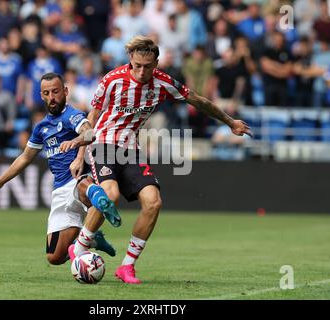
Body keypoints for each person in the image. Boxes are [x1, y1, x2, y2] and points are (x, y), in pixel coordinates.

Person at [67, 36, 253, 284]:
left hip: (130, 149)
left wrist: (231, 122)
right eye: (137, 66)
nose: (142, 71)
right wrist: (80, 153)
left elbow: (198, 100)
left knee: (153, 202)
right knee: (109, 195)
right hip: (102, 143)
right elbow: (91, 120)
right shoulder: (112, 80)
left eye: (147, 66)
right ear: (130, 61)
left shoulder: (163, 83)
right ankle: (79, 248)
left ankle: (127, 267)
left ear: (156, 63)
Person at [0, 72, 121, 266]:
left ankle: (101, 199)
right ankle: (92, 238)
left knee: (83, 184)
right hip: (59, 190)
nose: (52, 97)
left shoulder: (72, 115)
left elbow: (89, 132)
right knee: (54, 257)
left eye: (55, 92)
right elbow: (25, 157)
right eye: (46, 93)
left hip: (77, 178)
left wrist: (75, 143)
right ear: (41, 95)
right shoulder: (41, 128)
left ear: (65, 91)